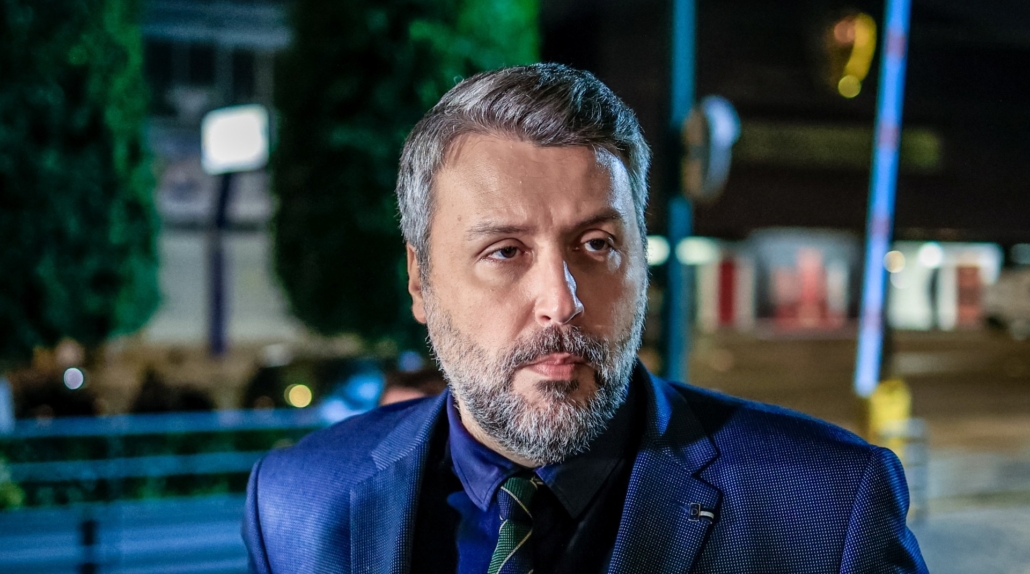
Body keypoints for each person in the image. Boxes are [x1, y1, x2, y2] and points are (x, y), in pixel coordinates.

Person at [242, 63, 927, 573]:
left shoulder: (828, 509)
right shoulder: (297, 506)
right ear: (421, 280)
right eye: (505, 251)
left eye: (596, 245)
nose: (561, 300)